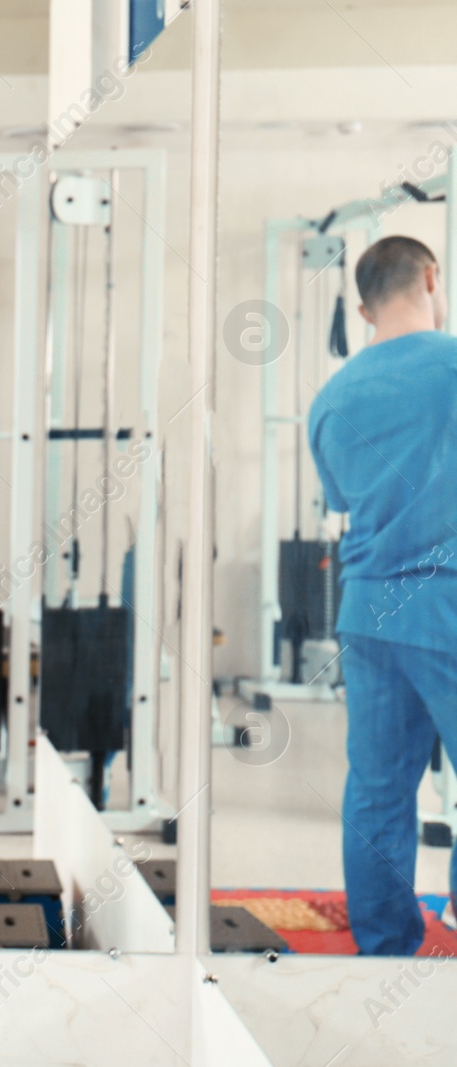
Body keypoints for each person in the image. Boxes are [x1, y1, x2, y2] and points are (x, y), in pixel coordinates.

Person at [308, 234, 457, 956]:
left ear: (363, 308)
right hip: (447, 610)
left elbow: (344, 497)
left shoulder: (332, 397)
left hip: (367, 612)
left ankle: (386, 947)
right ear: (432, 277)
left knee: (376, 788)